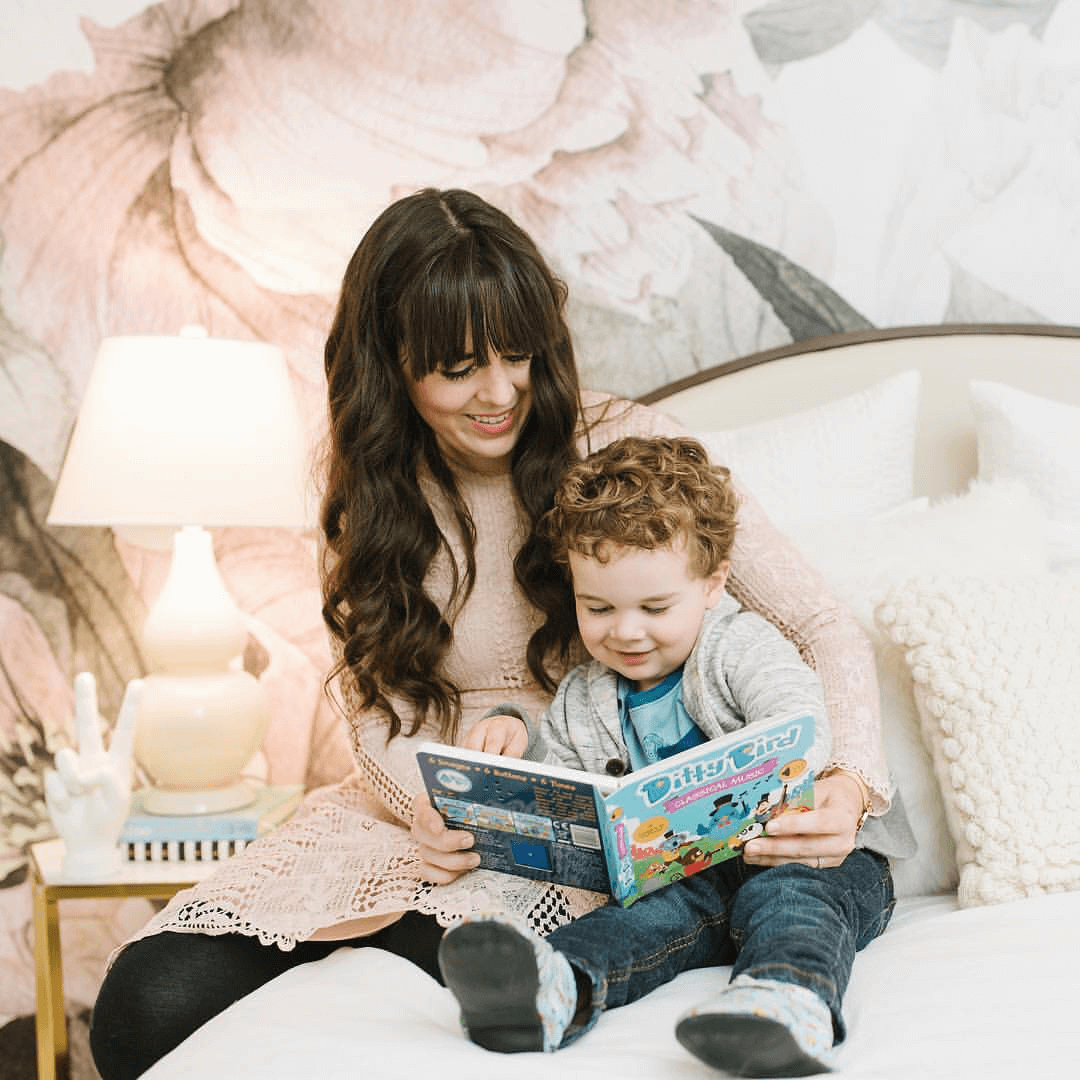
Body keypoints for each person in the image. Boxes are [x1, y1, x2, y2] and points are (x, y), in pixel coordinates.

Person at [89, 188, 913, 1080]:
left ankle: (546, 981)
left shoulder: (630, 456)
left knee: (403, 994)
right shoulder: (367, 486)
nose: (499, 391)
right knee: (146, 1005)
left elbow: (820, 624)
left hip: (596, 830)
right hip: (430, 815)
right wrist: (431, 812)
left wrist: (846, 782)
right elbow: (380, 712)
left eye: (518, 352)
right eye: (457, 366)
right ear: (392, 366)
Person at [436, 435, 881, 1076]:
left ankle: (786, 1003)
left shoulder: (739, 646)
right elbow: (564, 795)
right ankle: (551, 987)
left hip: (809, 858)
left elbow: (799, 718)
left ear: (712, 585)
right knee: (640, 918)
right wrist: (508, 751)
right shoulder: (581, 697)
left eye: (655, 607)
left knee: (790, 902)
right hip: (685, 878)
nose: (626, 630)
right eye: (598, 607)